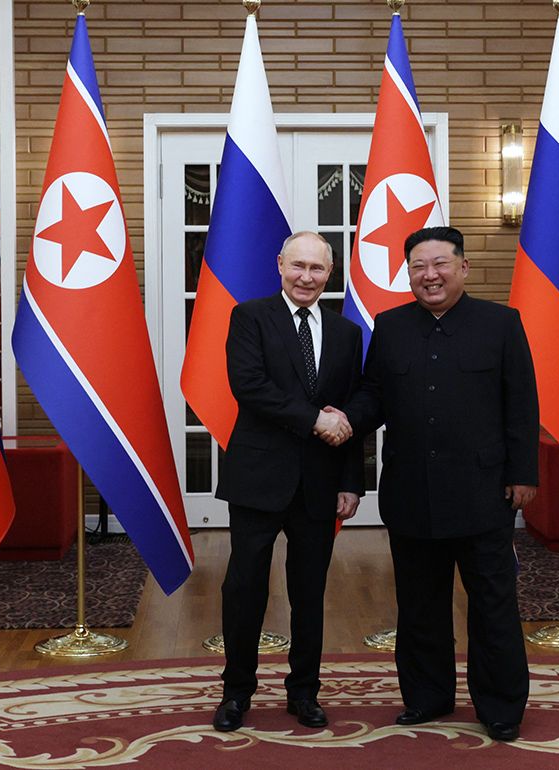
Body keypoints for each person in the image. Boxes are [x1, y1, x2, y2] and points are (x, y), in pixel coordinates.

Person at [340, 226, 538, 742]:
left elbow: (521, 405)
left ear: (463, 268)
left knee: (492, 604)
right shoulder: (389, 326)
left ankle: (499, 707)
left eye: (440, 264)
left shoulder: (501, 323)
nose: (429, 275)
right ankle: (427, 698)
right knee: (420, 605)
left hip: (484, 492)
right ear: (408, 274)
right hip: (411, 493)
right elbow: (374, 397)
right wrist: (340, 419)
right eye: (418, 267)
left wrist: (523, 473)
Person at [212, 231, 363, 733]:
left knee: (310, 591)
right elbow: (249, 387)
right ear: (279, 265)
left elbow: (346, 413)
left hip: (320, 484)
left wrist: (351, 480)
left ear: (330, 272)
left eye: (317, 269)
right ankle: (237, 693)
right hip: (259, 478)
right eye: (297, 266)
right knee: (245, 588)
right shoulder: (250, 317)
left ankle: (304, 692)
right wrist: (313, 420)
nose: (306, 277)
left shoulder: (346, 333)